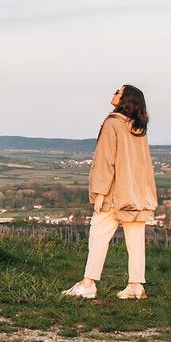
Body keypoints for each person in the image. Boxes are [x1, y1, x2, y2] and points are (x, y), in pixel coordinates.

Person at [62, 84, 157, 300]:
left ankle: (88, 284)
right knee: (135, 241)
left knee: (98, 236)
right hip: (137, 193)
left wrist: (100, 192)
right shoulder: (138, 126)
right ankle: (136, 286)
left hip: (115, 193)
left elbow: (106, 161)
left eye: (118, 92)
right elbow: (142, 164)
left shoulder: (113, 123)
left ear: (125, 99)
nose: (113, 93)